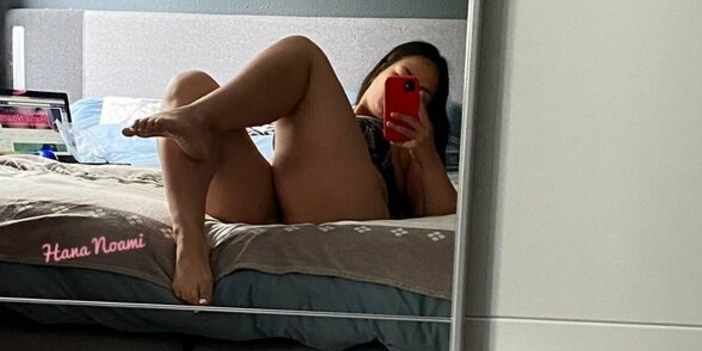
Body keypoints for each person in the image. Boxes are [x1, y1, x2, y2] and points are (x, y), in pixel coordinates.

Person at [122, 34, 457, 305]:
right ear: (379, 71)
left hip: (344, 203)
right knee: (188, 85)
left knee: (304, 53)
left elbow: (444, 214)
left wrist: (425, 152)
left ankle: (200, 120)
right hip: (269, 202)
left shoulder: (409, 147)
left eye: (421, 94)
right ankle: (189, 239)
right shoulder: (323, 109)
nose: (409, 91)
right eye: (402, 78)